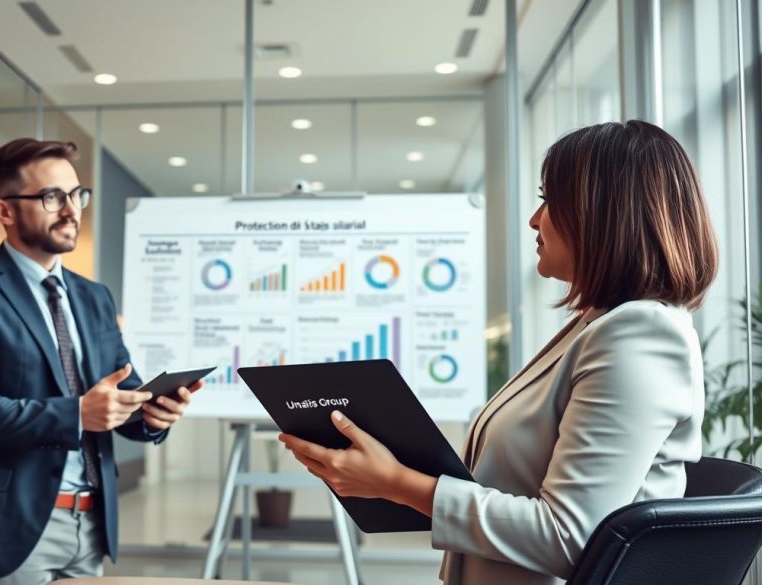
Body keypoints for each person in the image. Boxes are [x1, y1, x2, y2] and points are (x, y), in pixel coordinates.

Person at [279, 120, 718, 585]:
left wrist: (398, 483)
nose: (534, 219)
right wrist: (393, 473)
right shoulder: (596, 327)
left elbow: (571, 537)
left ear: (604, 214)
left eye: (549, 200)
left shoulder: (640, 336)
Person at [0, 138, 201, 584]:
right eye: (52, 197)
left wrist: (152, 415)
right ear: (5, 212)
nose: (71, 210)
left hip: (91, 523)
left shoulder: (94, 297)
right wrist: (77, 413)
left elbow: (119, 393)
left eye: (76, 195)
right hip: (6, 528)